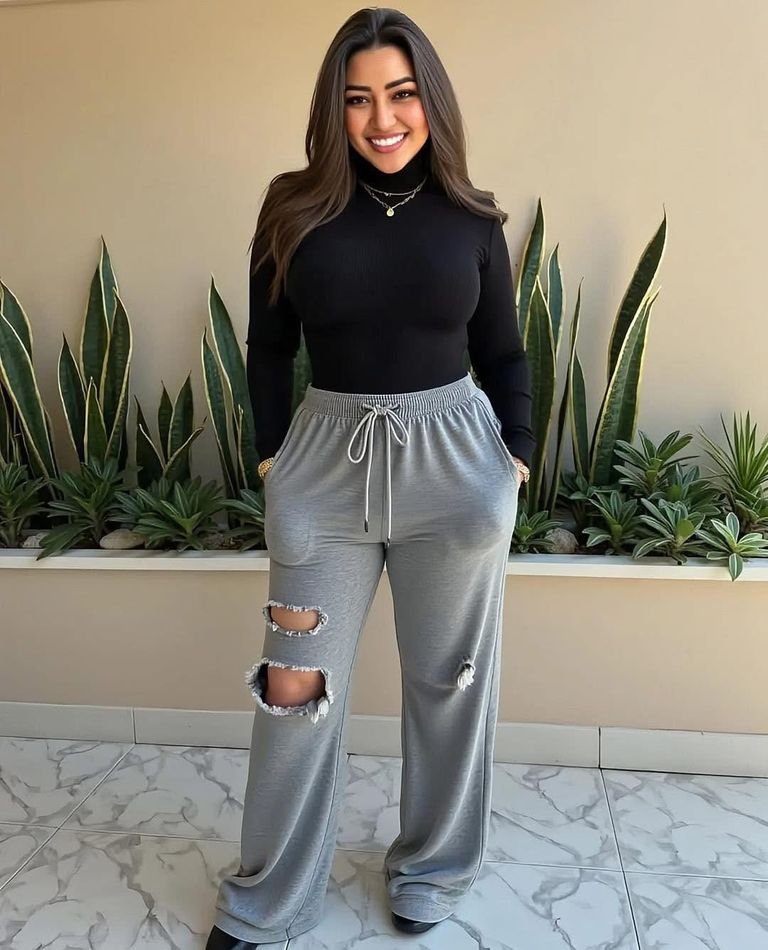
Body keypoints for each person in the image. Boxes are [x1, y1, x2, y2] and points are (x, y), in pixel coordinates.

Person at [206, 7, 535, 948]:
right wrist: (274, 458)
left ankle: (431, 871)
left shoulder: (474, 220)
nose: (382, 119)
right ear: (334, 109)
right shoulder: (292, 210)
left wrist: (513, 458)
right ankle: (270, 897)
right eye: (358, 100)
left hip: (454, 468)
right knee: (294, 689)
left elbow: (505, 354)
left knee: (450, 685)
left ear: (432, 99)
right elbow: (268, 349)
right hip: (325, 468)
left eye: (401, 94)